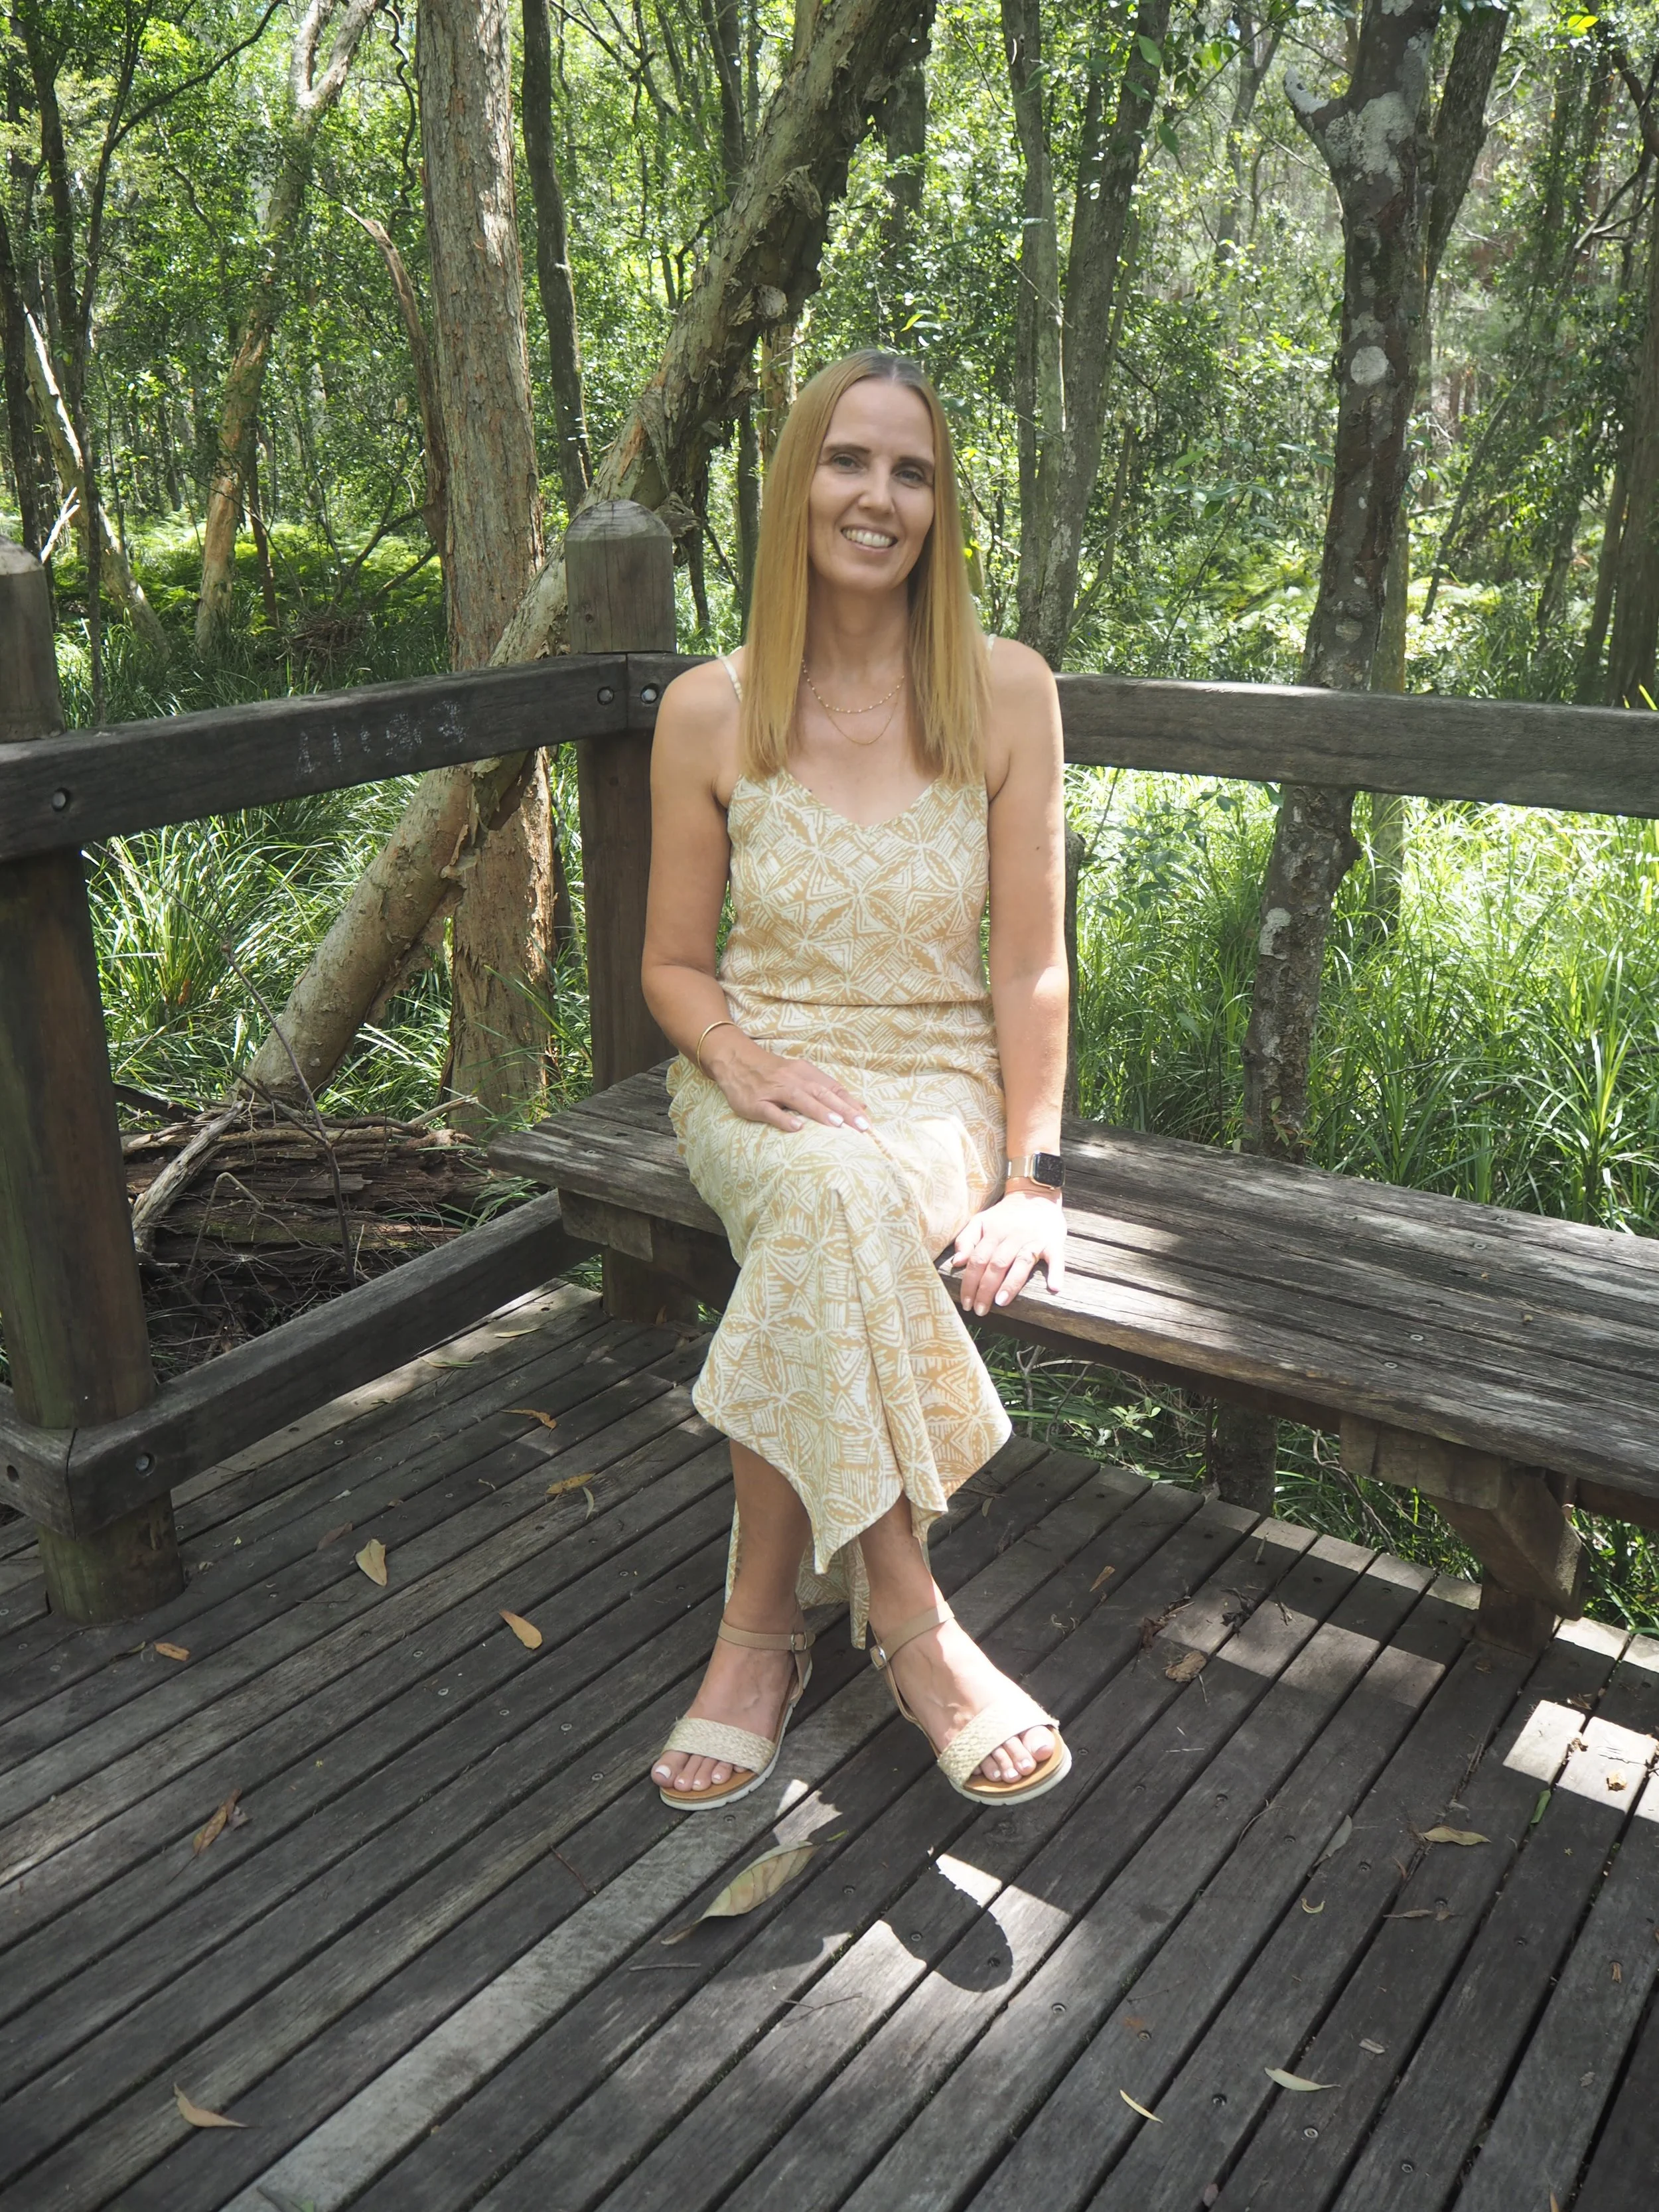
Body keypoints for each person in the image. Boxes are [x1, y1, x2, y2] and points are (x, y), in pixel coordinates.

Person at [641, 348, 1070, 1813]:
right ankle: (914, 1618)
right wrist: (738, 1057)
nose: (876, 496)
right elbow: (672, 965)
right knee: (824, 1188)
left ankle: (760, 1630)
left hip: (936, 1086)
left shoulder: (1004, 690)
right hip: (756, 1077)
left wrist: (1032, 1179)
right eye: (846, 460)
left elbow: (1030, 966)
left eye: (911, 471)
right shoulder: (710, 707)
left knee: (836, 1205)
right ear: (795, 485)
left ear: (940, 509)